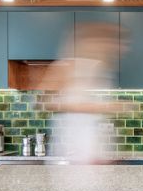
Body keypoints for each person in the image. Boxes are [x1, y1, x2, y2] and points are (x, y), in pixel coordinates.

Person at [39, 22, 129, 164]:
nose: (120, 49)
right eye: (111, 42)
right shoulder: (67, 66)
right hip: (71, 154)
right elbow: (44, 102)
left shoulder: (100, 69)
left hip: (93, 156)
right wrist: (98, 107)